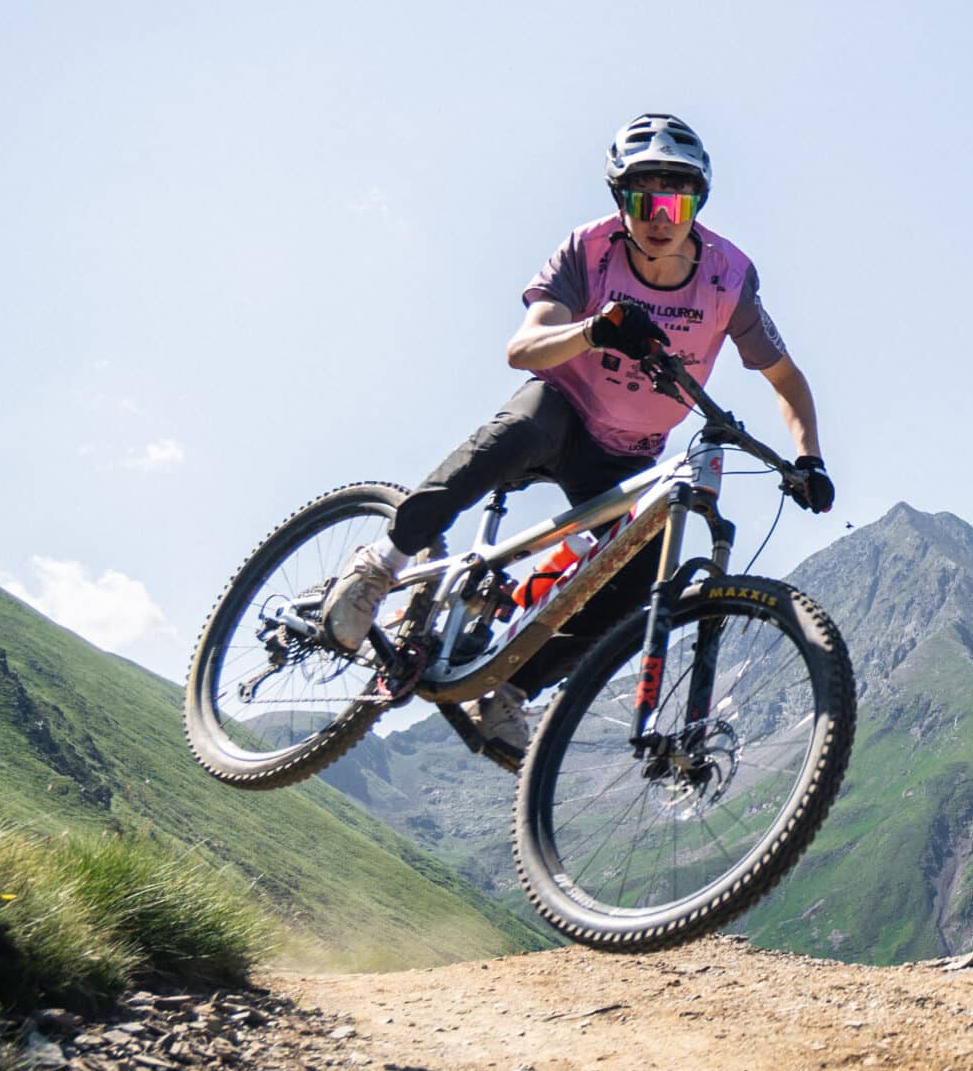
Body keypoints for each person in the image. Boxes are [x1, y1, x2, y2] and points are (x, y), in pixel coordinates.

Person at [319, 113, 832, 755]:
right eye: (644, 198)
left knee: (642, 581)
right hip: (562, 409)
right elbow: (525, 348)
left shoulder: (730, 277)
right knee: (514, 433)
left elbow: (786, 378)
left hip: (631, 455)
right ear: (621, 200)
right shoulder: (588, 250)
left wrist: (808, 459)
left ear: (699, 202)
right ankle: (379, 565)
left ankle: (506, 692)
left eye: (678, 198)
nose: (661, 215)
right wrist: (594, 329)